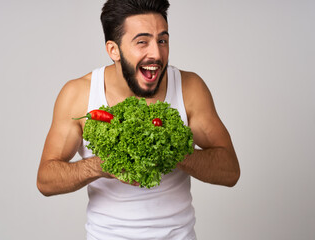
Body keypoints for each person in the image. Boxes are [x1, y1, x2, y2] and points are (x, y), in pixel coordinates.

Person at [37, 0, 240, 239]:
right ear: (113, 50)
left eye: (162, 40)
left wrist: (174, 152)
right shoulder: (78, 94)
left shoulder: (189, 88)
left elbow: (230, 171)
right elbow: (46, 180)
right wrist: (100, 166)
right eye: (142, 42)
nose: (156, 53)